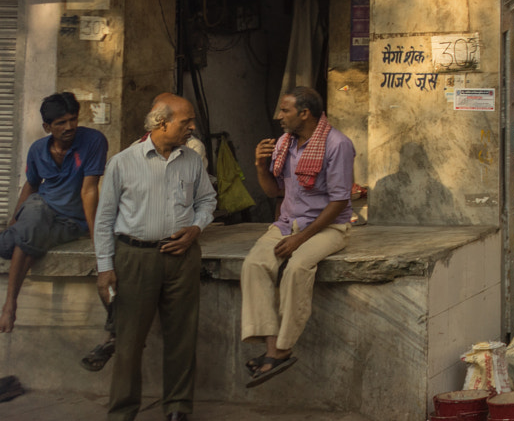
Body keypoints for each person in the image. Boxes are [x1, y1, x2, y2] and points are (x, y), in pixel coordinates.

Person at [96, 93, 215, 421]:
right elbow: (104, 219)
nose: (192, 127)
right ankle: (122, 412)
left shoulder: (191, 160)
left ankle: (178, 409)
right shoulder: (123, 162)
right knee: (129, 343)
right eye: (186, 121)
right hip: (134, 258)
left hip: (182, 258)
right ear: (161, 123)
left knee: (182, 338)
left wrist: (196, 228)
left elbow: (207, 201)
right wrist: (105, 267)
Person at [241, 87, 355, 386]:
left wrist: (301, 239)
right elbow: (272, 191)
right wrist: (259, 165)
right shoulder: (284, 143)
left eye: (285, 110)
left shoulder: (337, 144)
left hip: (328, 227)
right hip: (286, 223)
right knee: (254, 264)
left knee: (297, 268)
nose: (279, 116)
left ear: (304, 113)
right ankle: (272, 349)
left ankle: (283, 347)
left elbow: (340, 201)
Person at [0, 92, 107, 336]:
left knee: (24, 241)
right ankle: (10, 304)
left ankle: (9, 303)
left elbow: (89, 190)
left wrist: (95, 236)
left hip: (71, 220)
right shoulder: (38, 149)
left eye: (73, 119)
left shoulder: (94, 141)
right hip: (41, 206)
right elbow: (31, 184)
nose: (69, 127)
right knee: (23, 230)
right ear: (47, 127)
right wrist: (14, 220)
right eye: (61, 123)